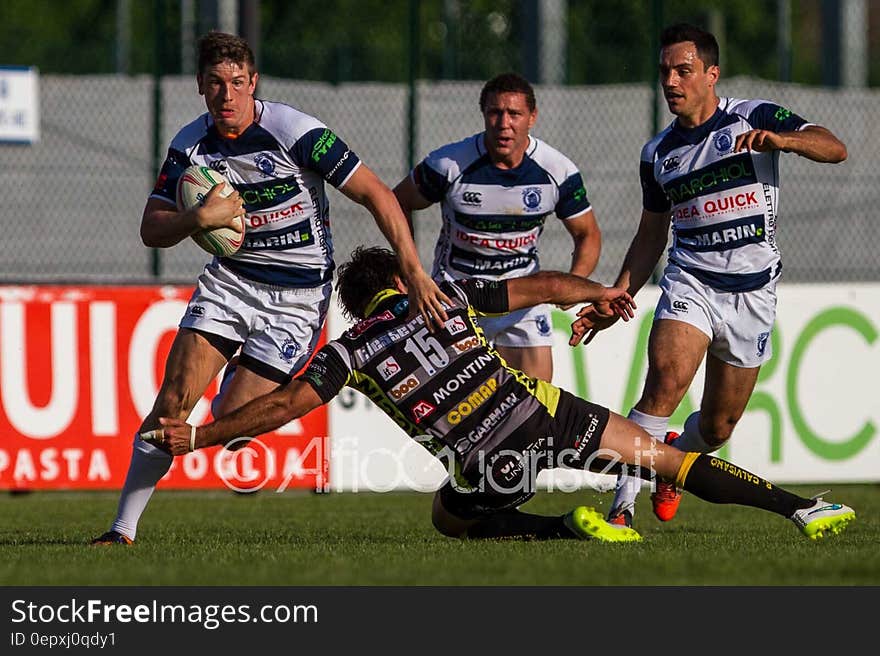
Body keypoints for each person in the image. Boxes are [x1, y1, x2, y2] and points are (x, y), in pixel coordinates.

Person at [146, 246, 854, 544]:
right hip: (543, 410)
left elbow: (286, 404)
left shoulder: (352, 349)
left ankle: (559, 530)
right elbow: (542, 286)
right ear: (402, 278)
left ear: (359, 306)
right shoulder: (443, 297)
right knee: (667, 460)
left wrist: (201, 438)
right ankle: (802, 507)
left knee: (447, 519)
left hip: (491, 457)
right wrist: (603, 293)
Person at [90, 32, 449, 546]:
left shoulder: (295, 131)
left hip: (299, 299)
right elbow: (152, 228)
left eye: (237, 83)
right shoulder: (190, 147)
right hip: (231, 282)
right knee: (173, 400)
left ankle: (234, 382)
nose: (227, 95)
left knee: (232, 430)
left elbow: (375, 193)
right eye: (216, 84)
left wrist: (413, 272)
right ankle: (121, 530)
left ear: (253, 83)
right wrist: (198, 217)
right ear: (200, 87)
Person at [570, 23, 848, 528]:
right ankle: (621, 511)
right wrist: (618, 294)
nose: (671, 81)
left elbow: (834, 147)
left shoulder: (754, 115)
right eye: (664, 72)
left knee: (719, 427)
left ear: (712, 74)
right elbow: (652, 235)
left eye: (684, 70)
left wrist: (784, 140)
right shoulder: (657, 154)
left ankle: (675, 460)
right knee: (665, 383)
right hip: (690, 282)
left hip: (754, 293)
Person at [393, 72, 601, 382]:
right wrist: (412, 272)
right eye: (495, 112)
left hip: (522, 297)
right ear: (484, 115)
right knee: (457, 413)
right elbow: (397, 202)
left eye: (514, 113)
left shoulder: (557, 170)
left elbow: (588, 234)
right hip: (457, 295)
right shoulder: (449, 164)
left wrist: (575, 282)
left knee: (535, 407)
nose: (504, 123)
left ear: (532, 117)